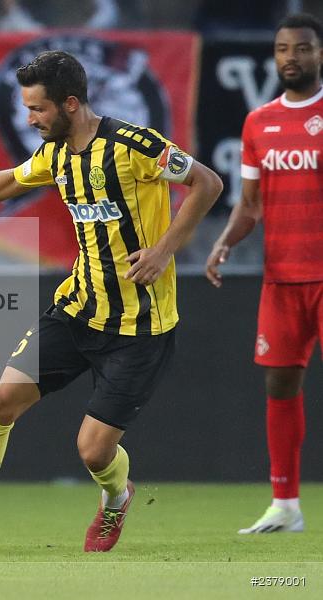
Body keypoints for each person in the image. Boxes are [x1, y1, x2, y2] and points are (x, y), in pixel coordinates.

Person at [0, 50, 222, 553]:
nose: (30, 119)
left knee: (93, 451)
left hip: (139, 326)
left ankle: (117, 496)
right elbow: (13, 179)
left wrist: (163, 250)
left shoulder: (134, 145)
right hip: (76, 310)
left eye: (38, 109)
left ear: (70, 104)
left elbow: (208, 182)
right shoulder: (55, 154)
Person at [205, 13, 323, 535]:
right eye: (282, 49)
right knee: (279, 382)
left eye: (302, 48)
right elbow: (250, 204)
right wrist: (224, 242)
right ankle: (285, 504)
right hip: (281, 278)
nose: (291, 58)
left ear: (320, 54)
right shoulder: (259, 122)